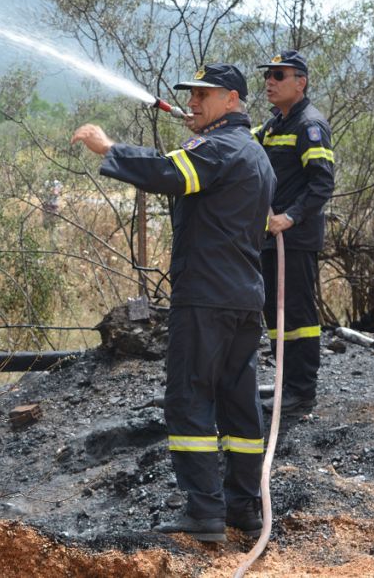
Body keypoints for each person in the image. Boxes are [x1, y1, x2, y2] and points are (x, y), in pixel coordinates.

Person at [71, 64, 275, 543]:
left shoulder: (219, 148)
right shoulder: (252, 152)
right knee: (239, 403)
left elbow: (168, 173)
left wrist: (109, 148)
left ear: (232, 100)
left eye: (204, 95)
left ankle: (204, 512)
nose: (194, 102)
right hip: (244, 299)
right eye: (192, 95)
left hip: (206, 297)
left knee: (189, 397)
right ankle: (244, 508)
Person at [253, 50, 335, 416]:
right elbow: (246, 142)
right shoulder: (275, 124)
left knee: (298, 316)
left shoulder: (309, 125)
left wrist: (290, 217)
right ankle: (286, 381)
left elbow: (322, 183)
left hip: (295, 240)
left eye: (278, 75)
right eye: (267, 75)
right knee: (276, 313)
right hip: (272, 239)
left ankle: (302, 392)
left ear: (300, 82)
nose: (269, 82)